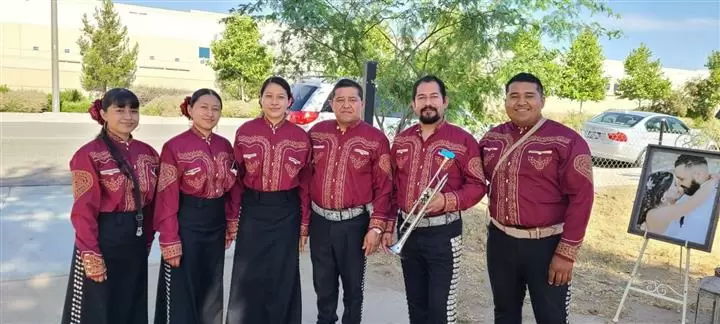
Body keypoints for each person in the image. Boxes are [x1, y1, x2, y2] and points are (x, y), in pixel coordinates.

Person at [477, 72, 594, 324]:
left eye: (529, 96)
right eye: (514, 96)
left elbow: (581, 198)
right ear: (506, 100)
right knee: (504, 312)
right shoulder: (492, 138)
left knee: (551, 316)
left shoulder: (567, 141)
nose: (521, 102)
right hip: (500, 242)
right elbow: (473, 178)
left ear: (542, 100)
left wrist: (567, 253)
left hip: (546, 245)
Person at [385, 75, 487, 324]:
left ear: (445, 102)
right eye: (421, 97)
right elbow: (393, 189)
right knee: (416, 306)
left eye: (434, 97)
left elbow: (478, 186)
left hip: (444, 234)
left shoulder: (463, 141)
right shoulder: (401, 140)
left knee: (441, 310)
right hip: (408, 230)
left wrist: (447, 200)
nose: (427, 102)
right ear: (413, 104)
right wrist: (389, 225)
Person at [61, 88, 159, 324]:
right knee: (98, 306)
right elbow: (84, 210)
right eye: (120, 110)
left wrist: (148, 237)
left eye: (133, 110)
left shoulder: (148, 153)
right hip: (103, 237)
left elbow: (152, 202)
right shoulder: (89, 155)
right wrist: (90, 253)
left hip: (134, 237)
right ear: (103, 114)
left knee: (131, 302)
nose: (128, 116)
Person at [226, 76, 312, 324]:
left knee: (282, 274)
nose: (274, 102)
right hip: (253, 210)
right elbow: (236, 179)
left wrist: (304, 223)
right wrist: (233, 216)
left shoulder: (300, 136)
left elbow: (306, 184)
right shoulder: (245, 132)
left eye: (280, 97)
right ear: (260, 99)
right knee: (248, 274)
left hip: (287, 211)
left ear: (290, 101)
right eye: (269, 96)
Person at [306, 79, 393, 324]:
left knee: (353, 289)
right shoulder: (316, 133)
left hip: (354, 225)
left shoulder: (376, 139)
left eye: (352, 100)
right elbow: (304, 177)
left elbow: (385, 186)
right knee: (323, 285)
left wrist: (376, 227)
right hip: (320, 222)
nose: (346, 105)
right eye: (340, 100)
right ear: (332, 103)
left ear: (362, 103)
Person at [152, 89, 240, 324]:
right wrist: (169, 237)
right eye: (204, 107)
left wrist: (231, 221)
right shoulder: (174, 147)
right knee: (183, 287)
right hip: (186, 223)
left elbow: (233, 188)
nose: (210, 113)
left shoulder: (224, 146)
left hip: (216, 223)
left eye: (215, 109)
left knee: (211, 286)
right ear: (190, 109)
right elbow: (166, 195)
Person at [640, 155, 719, 244]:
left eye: (681, 180)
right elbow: (689, 205)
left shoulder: (675, 204)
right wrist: (713, 181)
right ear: (663, 195)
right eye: (675, 185)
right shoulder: (653, 214)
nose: (680, 187)